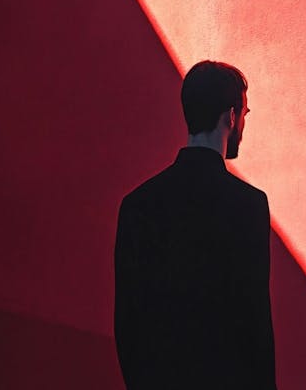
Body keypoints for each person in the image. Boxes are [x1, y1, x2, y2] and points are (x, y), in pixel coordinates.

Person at [114, 60, 277, 389]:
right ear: (230, 116)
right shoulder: (248, 205)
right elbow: (255, 320)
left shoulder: (137, 205)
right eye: (243, 113)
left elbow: (127, 321)